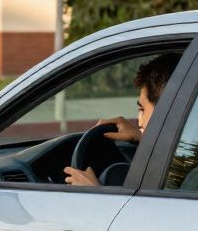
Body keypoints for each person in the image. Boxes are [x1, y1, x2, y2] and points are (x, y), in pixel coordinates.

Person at [64, 52, 181, 186]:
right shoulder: (191, 161)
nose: (140, 122)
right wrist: (140, 136)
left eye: (142, 109)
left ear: (166, 109)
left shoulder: (189, 174)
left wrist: (95, 193)